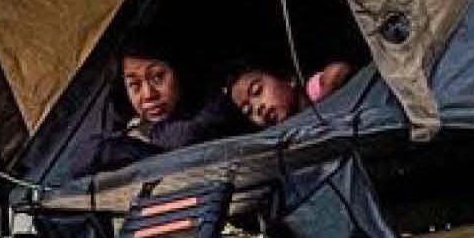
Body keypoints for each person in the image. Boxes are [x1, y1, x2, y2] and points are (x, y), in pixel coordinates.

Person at [106, 34, 236, 156]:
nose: (148, 94)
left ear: (179, 72)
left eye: (158, 76)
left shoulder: (217, 106)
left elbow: (188, 136)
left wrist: (144, 134)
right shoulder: (124, 130)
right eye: (135, 84)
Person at [225, 53, 354, 129]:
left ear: (288, 79)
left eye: (257, 91)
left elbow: (338, 71)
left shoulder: (312, 91)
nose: (257, 108)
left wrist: (321, 107)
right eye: (248, 111)